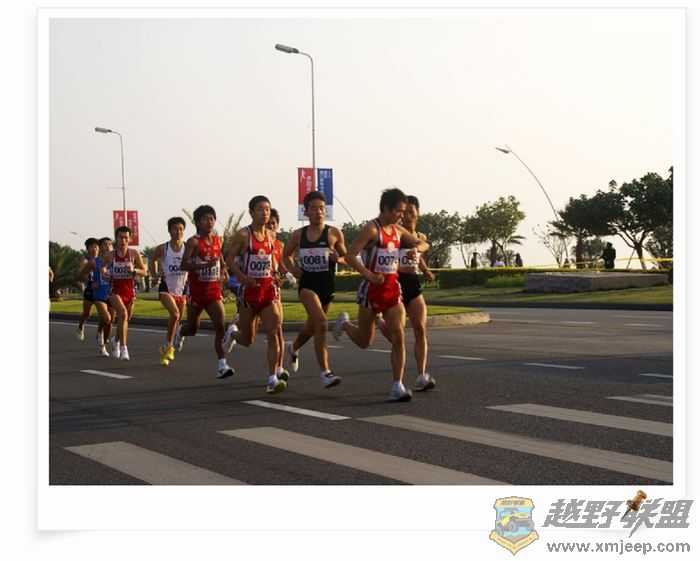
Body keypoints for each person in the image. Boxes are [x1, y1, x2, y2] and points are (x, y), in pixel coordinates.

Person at [331, 187, 429, 402]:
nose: (402, 216)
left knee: (398, 335)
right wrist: (369, 275)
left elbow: (424, 243)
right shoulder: (371, 230)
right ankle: (345, 324)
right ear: (385, 209)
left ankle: (397, 385)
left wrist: (417, 249)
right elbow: (350, 256)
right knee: (365, 341)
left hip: (392, 289)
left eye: (404, 211)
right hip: (371, 290)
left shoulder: (398, 230)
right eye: (399, 211)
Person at [281, 191, 346, 389]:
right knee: (322, 324)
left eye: (321, 208)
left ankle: (293, 348)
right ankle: (325, 372)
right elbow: (285, 255)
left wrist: (338, 259)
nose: (318, 212)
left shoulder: (334, 233)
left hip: (327, 285)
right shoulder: (299, 235)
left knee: (311, 328)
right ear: (306, 211)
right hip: (308, 285)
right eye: (314, 208)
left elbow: (347, 257)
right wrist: (293, 270)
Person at [223, 195, 286, 395]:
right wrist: (242, 277)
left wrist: (275, 275)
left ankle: (272, 378)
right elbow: (229, 260)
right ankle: (232, 333)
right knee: (248, 339)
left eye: (267, 209)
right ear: (251, 212)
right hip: (249, 292)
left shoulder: (271, 236)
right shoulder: (243, 235)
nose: (265, 213)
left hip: (268, 291)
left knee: (273, 331)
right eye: (260, 209)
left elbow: (272, 261)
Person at [375, 195, 436, 392]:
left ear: (418, 213)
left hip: (412, 283)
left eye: (411, 212)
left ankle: (421, 375)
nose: (407, 216)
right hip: (395, 283)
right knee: (396, 334)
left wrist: (425, 270)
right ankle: (378, 321)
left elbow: (418, 256)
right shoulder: (396, 234)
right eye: (404, 212)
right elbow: (385, 257)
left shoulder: (420, 237)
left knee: (420, 328)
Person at [175, 205, 233, 378]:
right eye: (206, 219)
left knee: (220, 326)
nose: (210, 222)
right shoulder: (193, 242)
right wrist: (204, 266)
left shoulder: (218, 240)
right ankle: (181, 331)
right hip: (196, 291)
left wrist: (224, 268)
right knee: (193, 328)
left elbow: (219, 256)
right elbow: (183, 265)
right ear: (198, 222)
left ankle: (222, 365)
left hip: (213, 290)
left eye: (212, 218)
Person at [100, 226, 147, 360]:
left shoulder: (134, 254)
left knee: (126, 319)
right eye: (121, 237)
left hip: (129, 293)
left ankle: (116, 339)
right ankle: (124, 348)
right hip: (115, 292)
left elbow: (145, 272)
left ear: (130, 239)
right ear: (116, 238)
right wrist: (104, 274)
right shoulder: (110, 255)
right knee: (123, 314)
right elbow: (102, 266)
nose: (123, 240)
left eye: (126, 238)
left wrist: (134, 270)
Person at [150, 217, 188, 366]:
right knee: (175, 314)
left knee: (178, 320)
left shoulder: (188, 248)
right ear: (169, 231)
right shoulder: (163, 248)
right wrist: (154, 275)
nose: (178, 232)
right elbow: (153, 259)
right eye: (175, 229)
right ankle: (168, 346)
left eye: (181, 229)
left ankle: (167, 346)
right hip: (166, 288)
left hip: (182, 289)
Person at [266, 208, 297, 382]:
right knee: (249, 334)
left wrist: (288, 274)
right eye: (268, 224)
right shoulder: (258, 243)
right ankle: (233, 331)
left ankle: (278, 368)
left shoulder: (280, 245)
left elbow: (281, 264)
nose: (271, 226)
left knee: (278, 330)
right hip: (258, 291)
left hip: (274, 292)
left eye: (274, 223)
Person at [75, 237, 100, 341]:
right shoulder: (85, 261)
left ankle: (101, 333)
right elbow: (79, 276)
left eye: (95, 246)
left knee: (105, 315)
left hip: (101, 291)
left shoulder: (103, 260)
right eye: (91, 247)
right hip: (90, 291)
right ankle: (80, 326)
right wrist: (90, 282)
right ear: (87, 249)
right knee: (87, 314)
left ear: (99, 248)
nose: (94, 249)